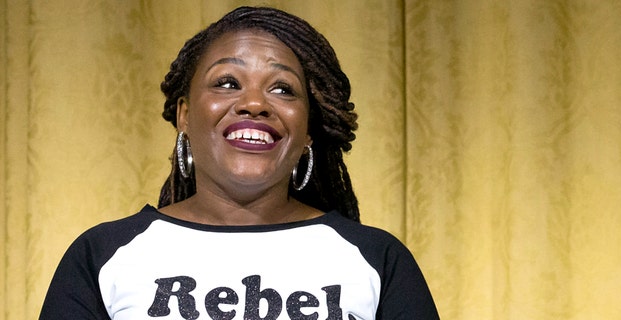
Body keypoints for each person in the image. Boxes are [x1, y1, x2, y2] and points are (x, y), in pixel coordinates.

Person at [39, 6, 439, 320]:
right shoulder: (102, 256)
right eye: (227, 83)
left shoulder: (377, 260)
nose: (254, 104)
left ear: (309, 131)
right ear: (184, 114)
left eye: (283, 89)